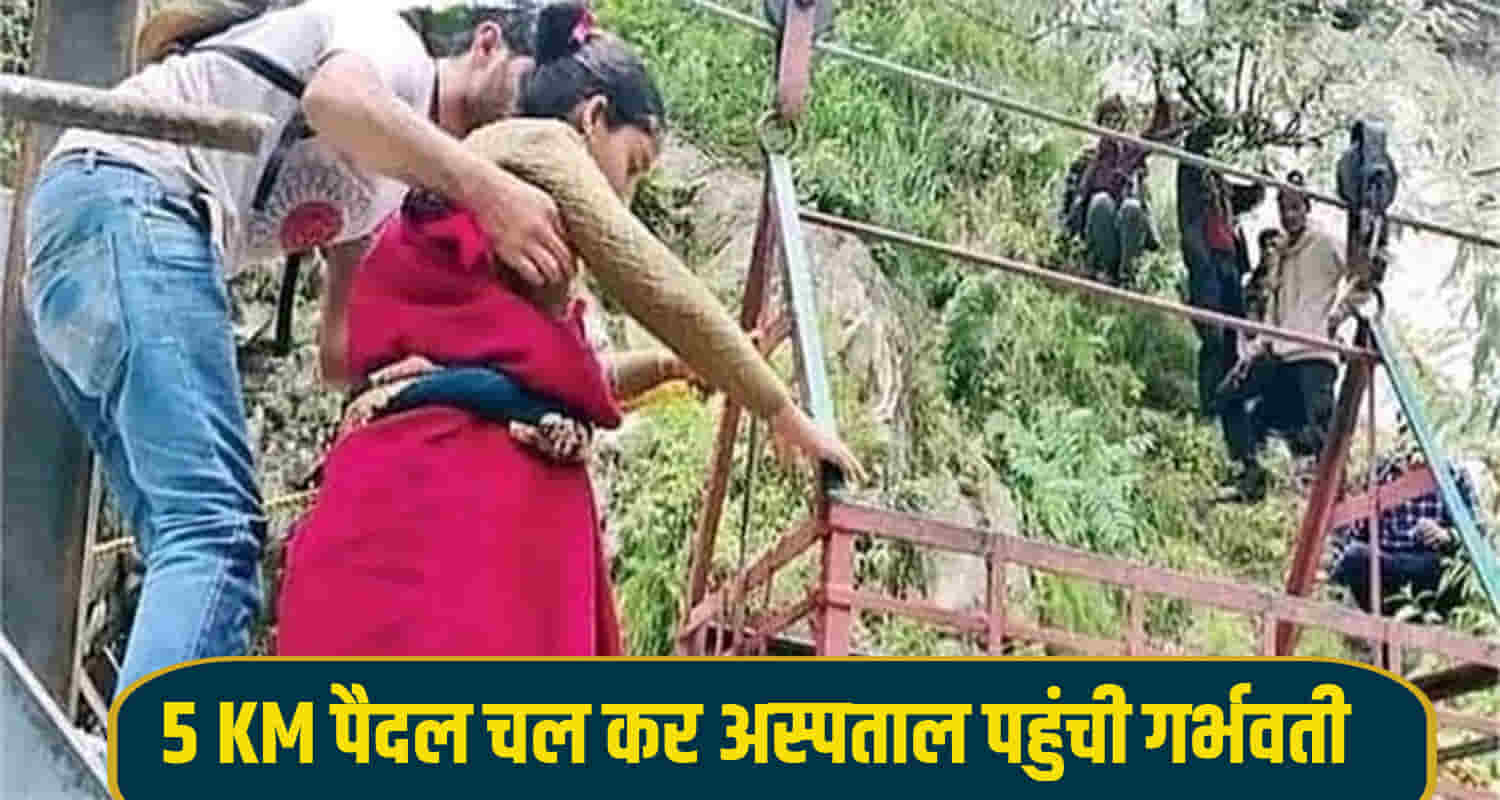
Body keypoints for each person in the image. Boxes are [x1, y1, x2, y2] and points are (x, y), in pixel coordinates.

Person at [21, 0, 586, 697]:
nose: (533, 103)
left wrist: (450, 375)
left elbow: (341, 354)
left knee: (188, 536)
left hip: (95, 230)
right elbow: (334, 98)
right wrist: (485, 188)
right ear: (486, 45)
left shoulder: (394, 180)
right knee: (215, 536)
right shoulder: (390, 45)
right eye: (532, 77)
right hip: (132, 196)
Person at [273, 3, 864, 657]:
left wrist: (669, 367)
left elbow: (532, 371)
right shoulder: (540, 145)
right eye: (634, 162)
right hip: (451, 506)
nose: (629, 190)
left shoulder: (508, 211)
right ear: (592, 118)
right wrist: (784, 414)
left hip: (419, 492)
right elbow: (656, 283)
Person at [1216, 173, 1349, 502]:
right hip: (1280, 354)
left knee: (1323, 435)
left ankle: (1338, 502)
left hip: (1314, 354)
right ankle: (1251, 477)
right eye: (1284, 209)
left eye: (1295, 208)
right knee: (1229, 398)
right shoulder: (1280, 254)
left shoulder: (1326, 244)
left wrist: (1339, 316)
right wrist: (1252, 354)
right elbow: (1272, 315)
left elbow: (1366, 273)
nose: (1289, 216)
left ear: (1306, 207)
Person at [1176, 119, 1265, 420]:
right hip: (1207, 261)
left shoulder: (1219, 183)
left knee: (1232, 339)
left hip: (1229, 264)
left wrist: (1260, 167)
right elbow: (1197, 141)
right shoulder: (1192, 173)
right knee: (1213, 336)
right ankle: (1206, 409)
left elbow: (1249, 196)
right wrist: (1223, 121)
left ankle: (1226, 407)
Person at [1058, 95, 1170, 285]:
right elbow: (1072, 201)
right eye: (1108, 121)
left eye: (1117, 121)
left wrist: (1162, 93)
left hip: (1126, 233)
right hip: (1098, 228)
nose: (1113, 126)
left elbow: (1157, 132)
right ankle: (1105, 269)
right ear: (1099, 124)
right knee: (1101, 202)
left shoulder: (1130, 151)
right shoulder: (1088, 159)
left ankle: (1128, 274)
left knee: (1132, 207)